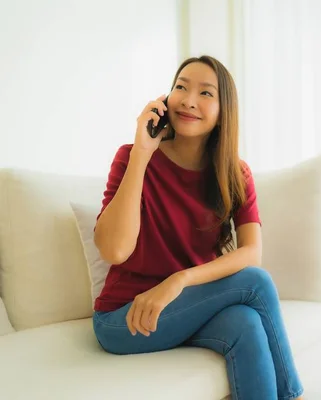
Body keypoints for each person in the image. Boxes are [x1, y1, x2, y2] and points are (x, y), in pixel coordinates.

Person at [92, 55, 304, 400]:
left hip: (184, 306)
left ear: (224, 111)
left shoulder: (236, 174)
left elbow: (252, 252)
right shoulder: (132, 156)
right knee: (257, 282)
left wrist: (179, 280)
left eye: (206, 93)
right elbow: (115, 250)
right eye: (180, 87)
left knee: (246, 323)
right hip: (125, 318)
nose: (189, 100)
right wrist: (143, 153)